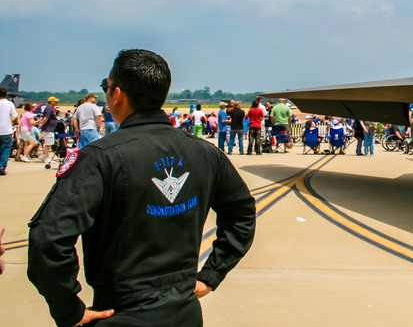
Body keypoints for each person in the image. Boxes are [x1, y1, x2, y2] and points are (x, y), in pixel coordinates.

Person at [27, 49, 256, 327]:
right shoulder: (206, 154)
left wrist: (67, 308)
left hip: (122, 313)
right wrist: (211, 273)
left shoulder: (99, 157)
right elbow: (242, 213)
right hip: (185, 312)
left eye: (106, 87)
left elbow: (49, 237)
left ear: (117, 94)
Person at [0, 87, 19, 175]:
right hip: (6, 130)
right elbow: (14, 116)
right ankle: (2, 166)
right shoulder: (9, 104)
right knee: (6, 149)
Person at [37, 96, 60, 167]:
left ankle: (43, 155)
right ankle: (47, 157)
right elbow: (45, 118)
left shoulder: (50, 108)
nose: (56, 102)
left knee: (49, 143)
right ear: (51, 102)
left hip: (50, 128)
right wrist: (41, 124)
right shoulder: (49, 109)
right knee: (48, 144)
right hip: (48, 129)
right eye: (55, 101)